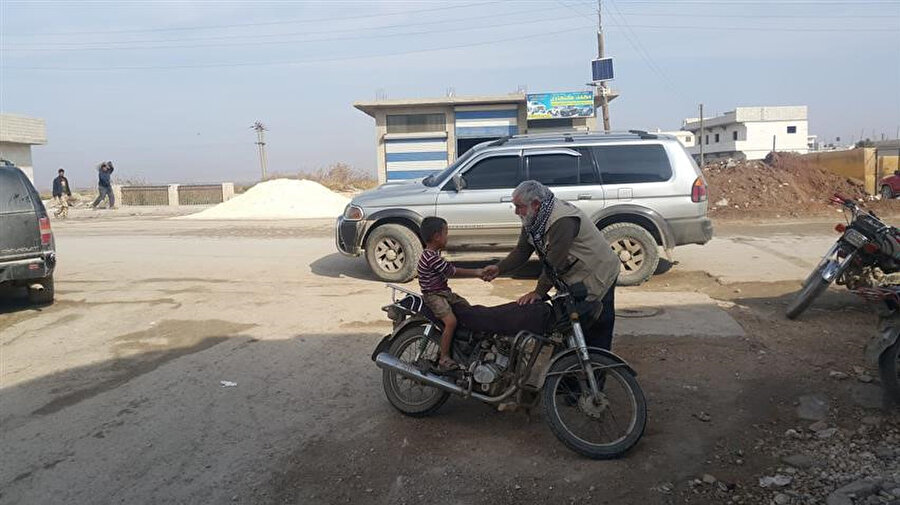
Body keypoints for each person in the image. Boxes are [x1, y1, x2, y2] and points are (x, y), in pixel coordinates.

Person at [481, 180, 620, 350]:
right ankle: (571, 367)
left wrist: (538, 293)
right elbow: (522, 251)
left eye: (519, 207)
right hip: (574, 274)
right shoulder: (533, 218)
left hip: (598, 272)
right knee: (570, 326)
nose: (516, 212)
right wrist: (499, 268)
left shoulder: (561, 220)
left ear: (536, 204)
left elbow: (555, 262)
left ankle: (597, 370)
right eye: (515, 206)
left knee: (596, 324)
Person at [417, 216, 483, 371]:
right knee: (451, 321)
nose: (447, 236)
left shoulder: (433, 254)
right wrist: (477, 272)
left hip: (443, 292)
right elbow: (451, 271)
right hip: (434, 295)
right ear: (436, 236)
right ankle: (444, 358)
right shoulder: (430, 257)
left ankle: (462, 343)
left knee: (467, 309)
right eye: (446, 232)